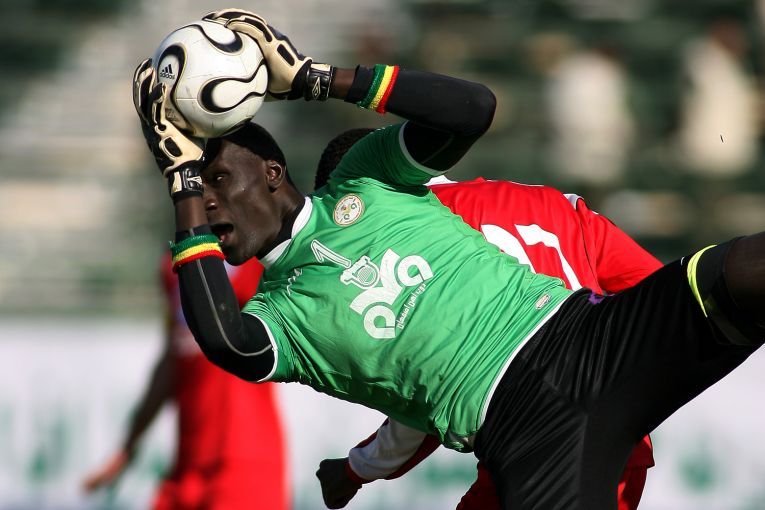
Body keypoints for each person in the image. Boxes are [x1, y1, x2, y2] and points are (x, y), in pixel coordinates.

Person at [132, 9, 765, 509]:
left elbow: (471, 109)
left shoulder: (363, 177)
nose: (204, 201)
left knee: (742, 271)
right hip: (524, 435)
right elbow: (228, 344)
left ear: (273, 171)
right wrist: (178, 177)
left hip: (587, 338)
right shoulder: (279, 313)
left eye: (217, 179)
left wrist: (313, 79)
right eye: (192, 189)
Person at [312, 128, 660, 510]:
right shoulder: (551, 200)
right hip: (623, 440)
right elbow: (655, 292)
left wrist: (354, 470)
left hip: (540, 446)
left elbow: (427, 392)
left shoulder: (421, 244)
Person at [82, 254, 289, 510]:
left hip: (244, 463)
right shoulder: (175, 265)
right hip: (187, 468)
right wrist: (128, 446)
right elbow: (172, 359)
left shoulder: (256, 260)